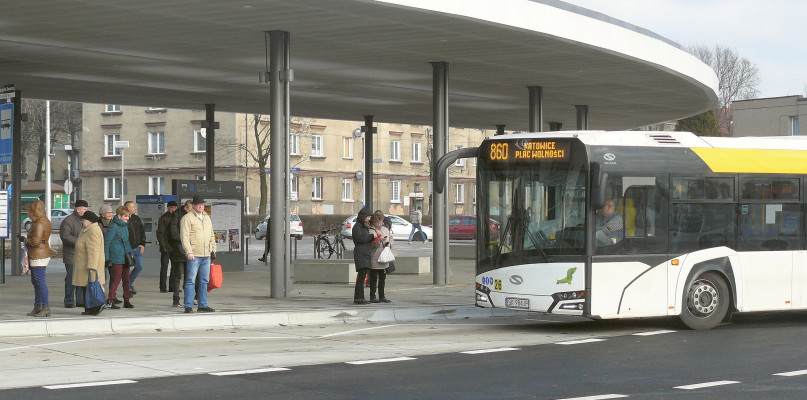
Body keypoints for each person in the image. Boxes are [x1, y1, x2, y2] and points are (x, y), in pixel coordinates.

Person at [180, 195, 216, 313]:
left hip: (206, 254)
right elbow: (184, 237)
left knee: (204, 280)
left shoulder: (206, 218)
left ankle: (202, 305)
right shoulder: (187, 218)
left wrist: (213, 250)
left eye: (202, 204)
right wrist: (188, 251)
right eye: (198, 204)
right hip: (194, 254)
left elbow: (211, 235)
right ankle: (188, 305)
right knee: (191, 280)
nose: (201, 206)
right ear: (193, 206)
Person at [71, 211, 106, 316]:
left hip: (88, 266)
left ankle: (95, 306)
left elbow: (93, 250)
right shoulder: (88, 230)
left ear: (89, 221)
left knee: (90, 287)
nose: (82, 221)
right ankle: (89, 308)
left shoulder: (93, 231)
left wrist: (92, 266)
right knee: (86, 287)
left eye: (84, 220)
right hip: (84, 264)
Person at [23, 200, 52, 317]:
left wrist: (25, 240)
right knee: (37, 281)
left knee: (39, 281)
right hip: (42, 253)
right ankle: (38, 306)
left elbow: (35, 242)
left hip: (38, 255)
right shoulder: (45, 221)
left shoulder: (40, 224)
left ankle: (44, 307)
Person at [60, 199, 88, 309]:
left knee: (81, 277)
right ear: (78, 209)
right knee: (71, 278)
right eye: (85, 209)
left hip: (82, 255)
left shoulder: (85, 221)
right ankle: (69, 300)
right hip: (71, 254)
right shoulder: (68, 221)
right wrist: (80, 242)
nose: (86, 211)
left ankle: (80, 300)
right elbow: (65, 237)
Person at [105, 206, 135, 309]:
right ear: (119, 216)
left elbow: (126, 241)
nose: (127, 218)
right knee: (117, 279)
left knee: (126, 279)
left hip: (125, 256)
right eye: (125, 216)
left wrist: (131, 254)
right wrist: (107, 258)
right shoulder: (114, 226)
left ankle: (127, 300)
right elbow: (107, 242)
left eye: (128, 216)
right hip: (117, 256)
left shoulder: (125, 226)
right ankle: (110, 300)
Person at [167, 199, 192, 307]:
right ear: (186, 207)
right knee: (178, 276)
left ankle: (188, 299)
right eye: (191, 209)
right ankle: (176, 299)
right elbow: (174, 234)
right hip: (178, 249)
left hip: (188, 250)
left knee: (189, 277)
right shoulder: (176, 217)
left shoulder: (190, 216)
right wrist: (186, 239)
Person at [368, 212, 393, 303]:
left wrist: (389, 244)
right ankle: (372, 296)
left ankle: (382, 296)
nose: (380, 223)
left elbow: (391, 238)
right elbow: (371, 244)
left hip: (384, 256)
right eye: (378, 222)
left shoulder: (385, 229)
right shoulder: (371, 230)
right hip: (375, 256)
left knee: (382, 278)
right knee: (374, 278)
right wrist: (378, 241)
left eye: (381, 221)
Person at [351, 207, 373, 304]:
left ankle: (360, 297)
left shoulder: (363, 227)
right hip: (361, 253)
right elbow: (359, 239)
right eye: (367, 217)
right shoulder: (357, 227)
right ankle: (359, 297)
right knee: (361, 276)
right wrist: (371, 237)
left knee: (363, 275)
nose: (369, 219)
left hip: (365, 253)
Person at [125, 201, 146, 295]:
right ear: (127, 208)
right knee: (126, 269)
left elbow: (142, 232)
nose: (135, 208)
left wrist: (143, 244)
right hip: (127, 249)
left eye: (135, 207)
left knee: (139, 266)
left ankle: (130, 283)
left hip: (137, 248)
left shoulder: (137, 219)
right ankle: (127, 288)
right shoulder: (124, 219)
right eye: (133, 207)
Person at [156, 200, 178, 292]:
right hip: (166, 245)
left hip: (174, 246)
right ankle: (163, 287)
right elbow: (160, 233)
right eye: (171, 207)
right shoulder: (164, 218)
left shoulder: (177, 217)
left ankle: (172, 287)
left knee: (174, 267)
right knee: (164, 267)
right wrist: (163, 246)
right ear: (168, 208)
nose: (172, 209)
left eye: (174, 207)